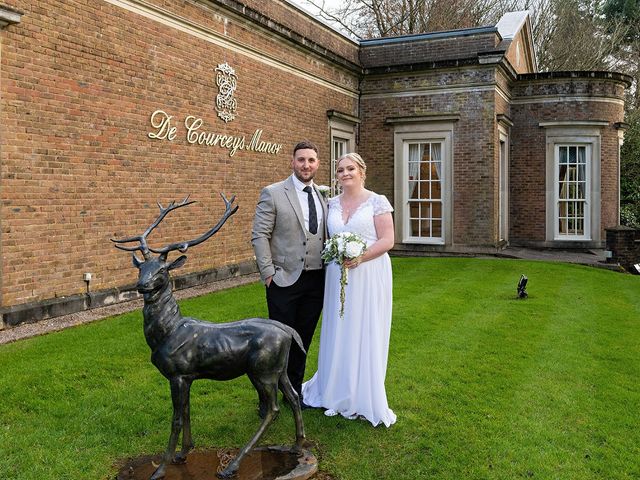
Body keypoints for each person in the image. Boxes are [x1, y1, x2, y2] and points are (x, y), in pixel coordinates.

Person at [302, 152, 397, 427]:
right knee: (339, 327)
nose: (345, 173)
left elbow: (388, 239)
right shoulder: (329, 203)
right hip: (336, 273)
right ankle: (333, 389)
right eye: (340, 169)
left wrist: (360, 258)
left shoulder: (377, 202)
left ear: (362, 171)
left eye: (350, 168)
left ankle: (360, 394)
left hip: (368, 273)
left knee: (364, 328)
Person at [252, 140, 327, 408]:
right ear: (292, 162)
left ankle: (293, 394)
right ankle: (267, 398)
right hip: (283, 279)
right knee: (276, 344)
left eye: (311, 160)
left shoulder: (322, 195)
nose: (306, 165)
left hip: (317, 280)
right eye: (301, 160)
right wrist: (268, 272)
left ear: (317, 164)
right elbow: (259, 234)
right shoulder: (273, 193)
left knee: (302, 340)